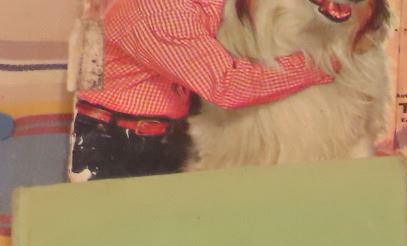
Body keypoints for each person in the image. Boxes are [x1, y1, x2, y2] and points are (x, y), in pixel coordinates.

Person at [71, 0, 337, 179]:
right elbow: (225, 84)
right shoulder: (158, 10)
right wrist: (315, 68)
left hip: (162, 136)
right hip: (116, 143)